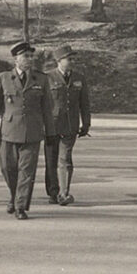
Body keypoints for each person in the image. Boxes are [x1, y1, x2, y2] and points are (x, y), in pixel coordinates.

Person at [0, 41, 56, 220]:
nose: (29, 59)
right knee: (7, 168)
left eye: (31, 56)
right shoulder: (2, 78)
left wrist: (50, 133)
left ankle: (20, 206)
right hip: (9, 131)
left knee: (27, 171)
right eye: (26, 56)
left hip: (32, 132)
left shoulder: (41, 79)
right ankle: (14, 196)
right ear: (16, 58)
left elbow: (47, 108)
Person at [44, 45, 91, 206]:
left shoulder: (79, 78)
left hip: (70, 125)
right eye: (69, 59)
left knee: (65, 159)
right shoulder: (47, 77)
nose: (72, 61)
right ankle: (53, 192)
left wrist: (86, 124)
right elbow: (42, 104)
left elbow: (84, 103)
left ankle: (64, 193)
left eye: (73, 59)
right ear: (59, 61)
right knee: (51, 160)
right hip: (51, 126)